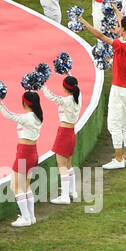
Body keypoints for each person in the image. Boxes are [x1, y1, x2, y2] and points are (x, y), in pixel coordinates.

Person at [82, 14, 126, 169]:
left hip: (119, 90)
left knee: (114, 125)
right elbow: (122, 60)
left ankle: (118, 159)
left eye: (120, 26)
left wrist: (83, 21)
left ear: (124, 29)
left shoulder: (120, 45)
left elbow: (99, 36)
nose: (117, 28)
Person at [0, 92, 44, 226]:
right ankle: (31, 217)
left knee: (16, 186)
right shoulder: (37, 115)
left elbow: (9, 115)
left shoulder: (28, 117)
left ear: (25, 103)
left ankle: (25, 218)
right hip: (32, 152)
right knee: (26, 185)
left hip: (24, 154)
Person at [43, 75, 83, 204]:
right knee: (68, 164)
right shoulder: (78, 96)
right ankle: (73, 192)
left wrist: (42, 84)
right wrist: (67, 72)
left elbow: (51, 96)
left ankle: (65, 196)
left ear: (65, 88)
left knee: (61, 166)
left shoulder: (67, 101)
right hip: (71, 133)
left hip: (64, 134)